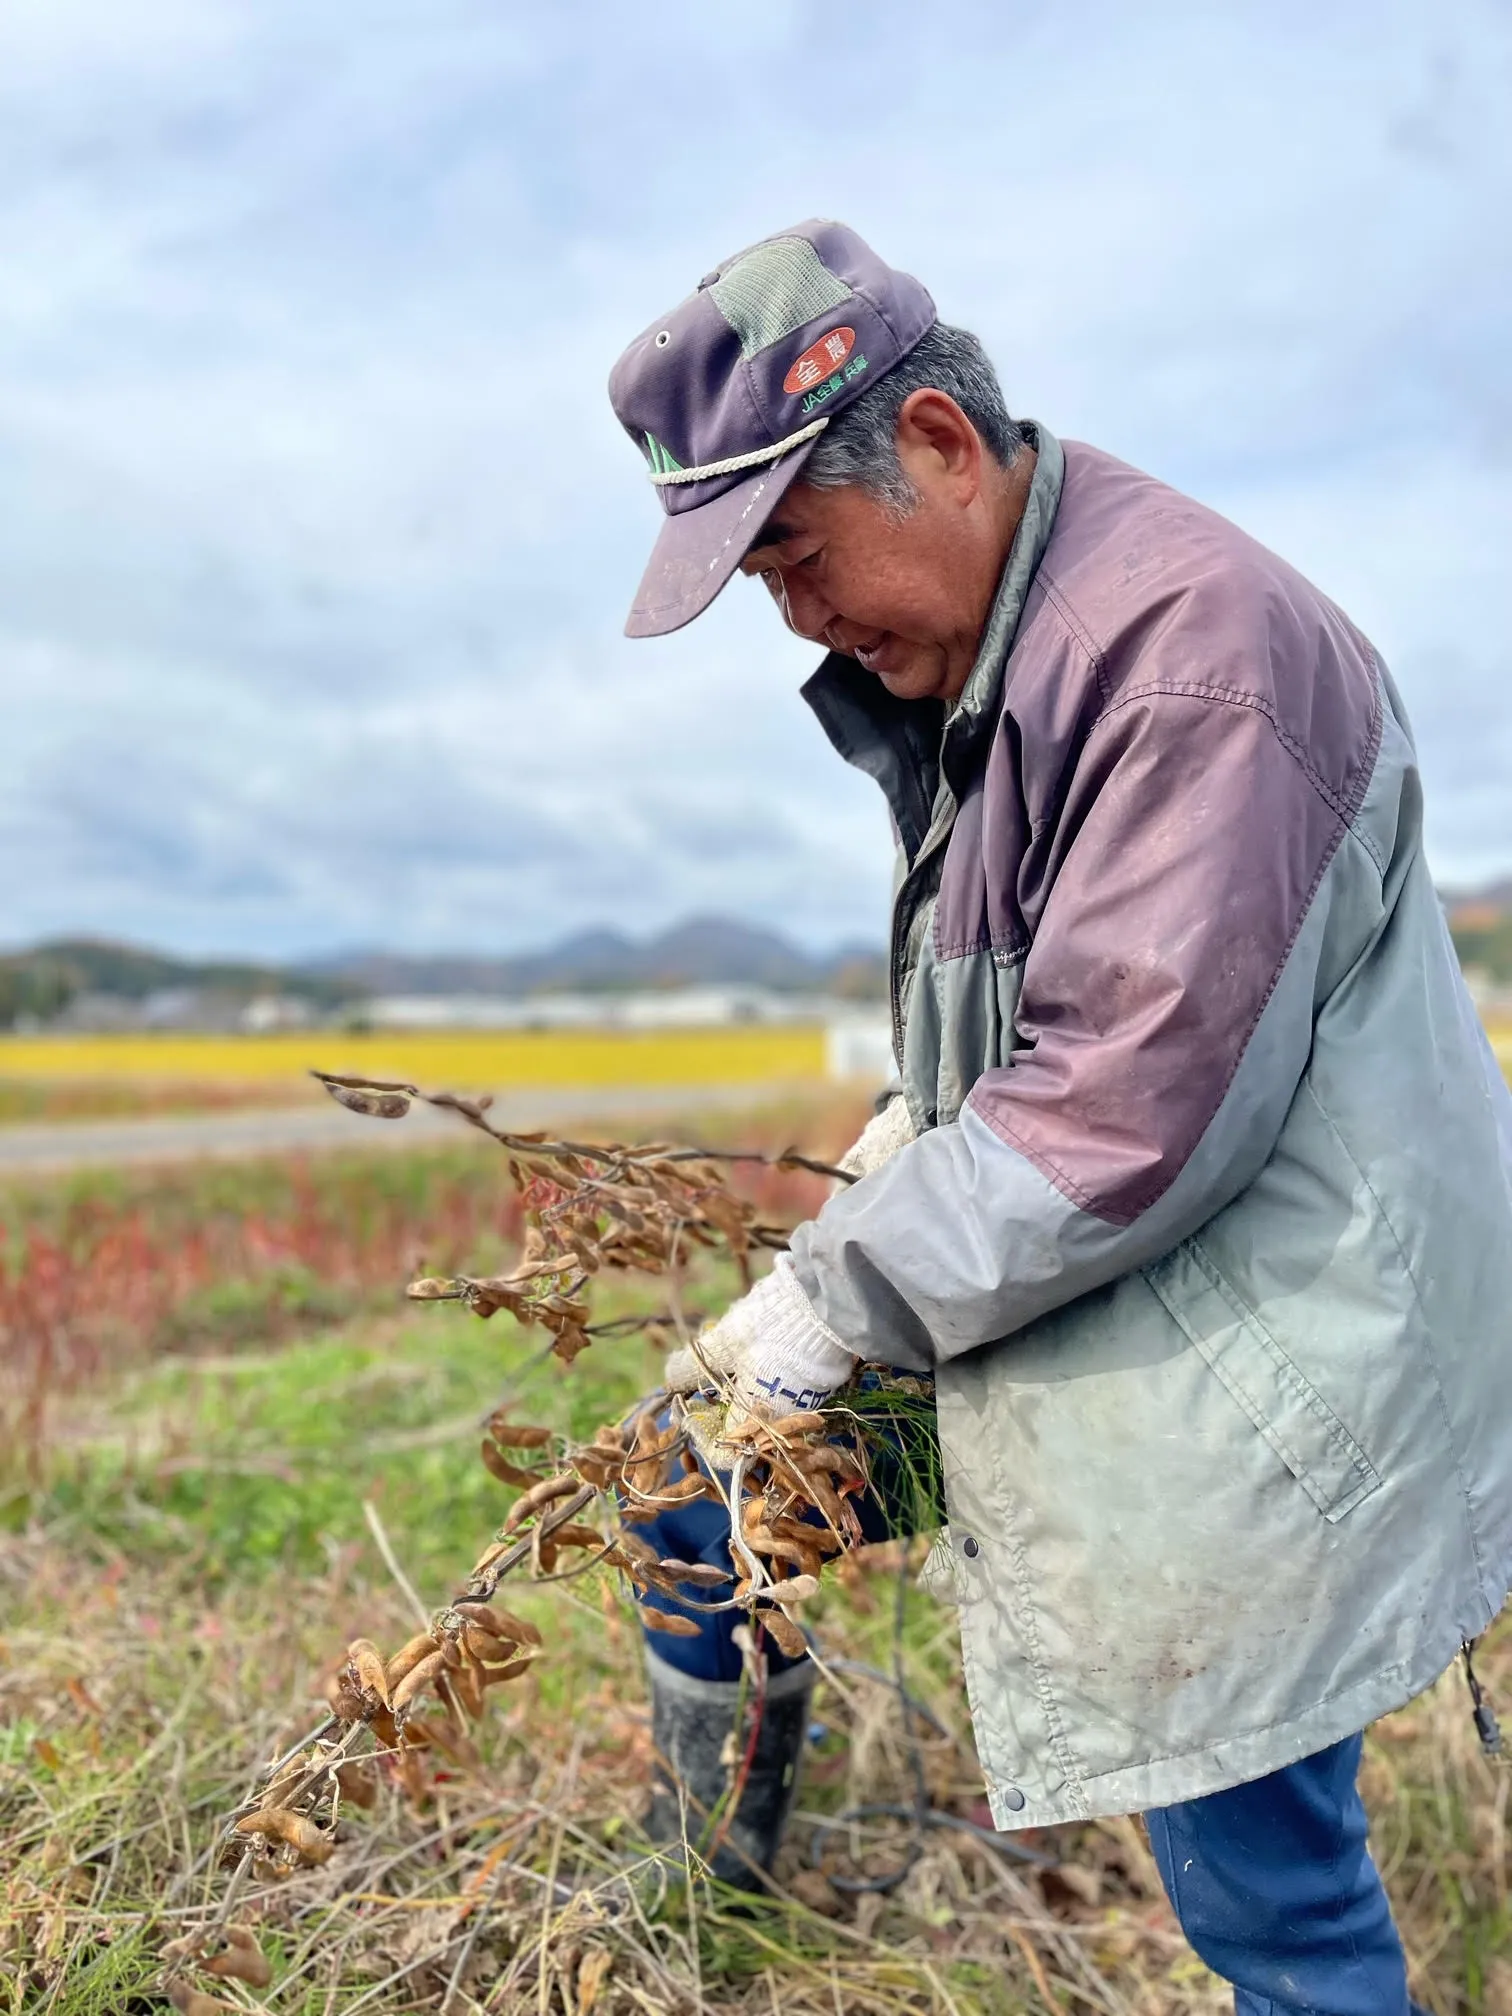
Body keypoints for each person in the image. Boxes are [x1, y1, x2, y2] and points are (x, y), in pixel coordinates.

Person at [605, 219, 1512, 2013]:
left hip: (1264, 1362)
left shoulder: (1190, 660)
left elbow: (1120, 1116)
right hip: (1107, 1294)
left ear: (938, 442)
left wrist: (822, 1298)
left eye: (794, 552)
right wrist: (893, 1148)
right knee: (683, 1479)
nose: (799, 618)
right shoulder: (992, 665)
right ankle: (710, 1889)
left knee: (1264, 1884)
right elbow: (1033, 1024)